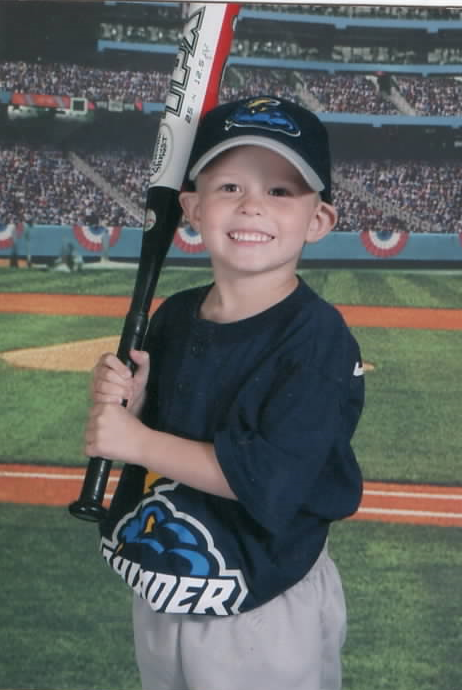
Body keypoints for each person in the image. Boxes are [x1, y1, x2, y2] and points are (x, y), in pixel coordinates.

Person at [85, 95, 365, 690]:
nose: (252, 205)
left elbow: (266, 476)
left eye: (281, 191)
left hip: (262, 599)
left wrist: (135, 441)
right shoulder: (174, 316)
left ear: (318, 221)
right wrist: (137, 405)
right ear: (192, 207)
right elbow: (171, 430)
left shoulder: (318, 338)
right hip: (173, 583)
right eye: (230, 186)